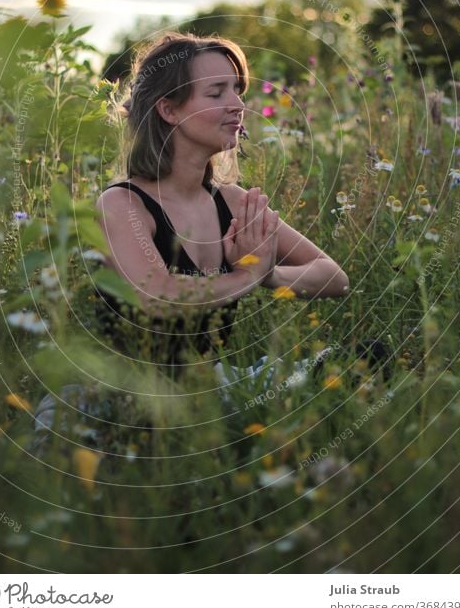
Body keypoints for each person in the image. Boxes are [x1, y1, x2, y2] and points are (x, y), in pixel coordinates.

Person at [94, 31, 349, 367]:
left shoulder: (230, 201)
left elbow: (334, 277)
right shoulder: (122, 204)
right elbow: (155, 295)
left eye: (237, 91)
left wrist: (266, 272)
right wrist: (244, 278)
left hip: (211, 391)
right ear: (169, 110)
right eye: (216, 93)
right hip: (133, 397)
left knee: (363, 357)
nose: (238, 106)